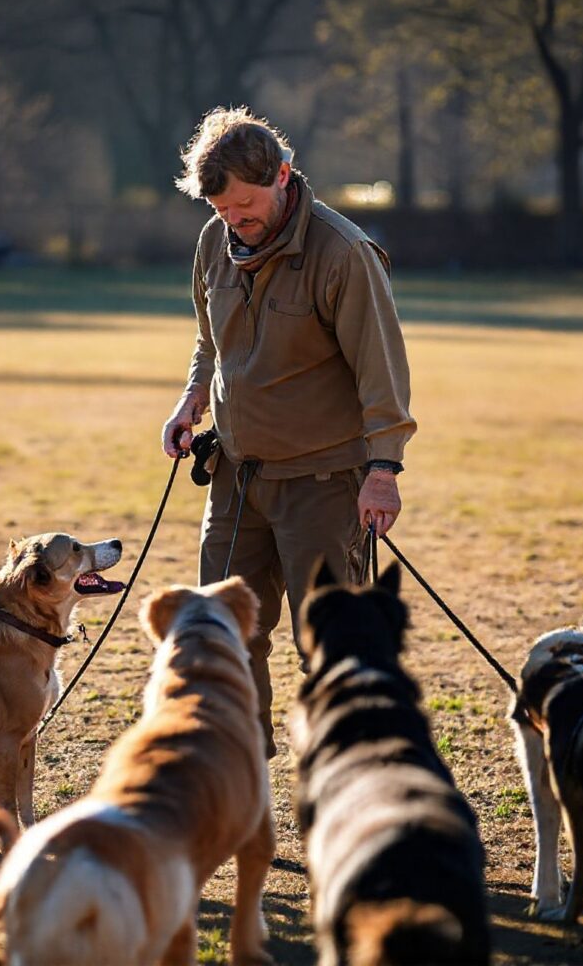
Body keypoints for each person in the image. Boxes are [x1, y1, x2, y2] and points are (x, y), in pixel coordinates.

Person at [161, 107, 416, 756]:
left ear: (282, 175)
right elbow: (208, 339)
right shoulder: (214, 242)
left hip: (325, 485)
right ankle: (237, 791)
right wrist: (194, 396)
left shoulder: (344, 253)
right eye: (221, 211)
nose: (234, 222)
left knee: (330, 648)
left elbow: (381, 372)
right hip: (235, 479)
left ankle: (346, 791)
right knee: (220, 640)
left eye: (246, 206)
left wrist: (382, 472)